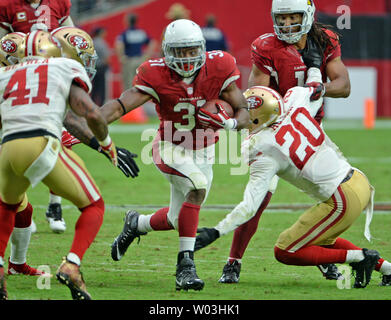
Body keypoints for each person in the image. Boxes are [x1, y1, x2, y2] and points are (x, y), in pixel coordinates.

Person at [195, 74, 391, 288]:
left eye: (247, 113)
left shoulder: (262, 149)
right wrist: (315, 69)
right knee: (322, 240)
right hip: (358, 180)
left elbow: (250, 205)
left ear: (257, 118)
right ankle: (387, 268)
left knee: (286, 250)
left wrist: (217, 231)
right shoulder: (294, 98)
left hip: (341, 199)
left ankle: (360, 258)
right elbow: (313, 88)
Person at [104, 19, 250, 291]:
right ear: (167, 52)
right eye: (179, 51)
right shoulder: (155, 73)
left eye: (191, 50)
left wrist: (229, 123)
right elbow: (121, 105)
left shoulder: (219, 66)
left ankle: (136, 224)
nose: (185, 58)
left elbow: (243, 109)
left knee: (177, 218)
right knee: (197, 186)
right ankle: (185, 265)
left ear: (202, 48)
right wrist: (92, 122)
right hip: (169, 146)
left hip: (204, 148)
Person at [216, 0, 352, 284]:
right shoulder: (266, 46)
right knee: (260, 197)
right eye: (283, 18)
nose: (288, 24)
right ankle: (233, 261)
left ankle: (323, 255)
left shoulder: (325, 39)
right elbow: (258, 93)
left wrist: (321, 87)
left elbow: (344, 86)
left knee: (329, 200)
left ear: (308, 15)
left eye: (294, 17)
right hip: (272, 128)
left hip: (309, 130)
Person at [0, 29, 118, 300]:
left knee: (7, 205)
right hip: (40, 142)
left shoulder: (5, 74)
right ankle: (72, 265)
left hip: (8, 148)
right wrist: (108, 145)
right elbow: (89, 112)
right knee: (94, 206)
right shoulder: (64, 65)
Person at [0, 0, 75, 233]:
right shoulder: (7, 5)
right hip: (21, 83)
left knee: (62, 139)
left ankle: (55, 205)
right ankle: (21, 207)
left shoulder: (59, 2)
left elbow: (71, 36)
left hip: (51, 79)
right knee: (16, 142)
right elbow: (2, 47)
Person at [115, 13, 156, 91]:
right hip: (140, 60)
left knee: (128, 84)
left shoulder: (125, 33)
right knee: (139, 83)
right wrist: (147, 55)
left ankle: (128, 102)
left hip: (129, 61)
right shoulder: (141, 32)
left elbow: (119, 45)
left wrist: (121, 57)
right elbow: (152, 42)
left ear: (128, 21)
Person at [91, 27, 110, 105]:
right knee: (102, 88)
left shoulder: (92, 42)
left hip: (94, 67)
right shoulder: (102, 43)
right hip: (101, 67)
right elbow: (106, 57)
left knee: (94, 87)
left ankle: (92, 103)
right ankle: (101, 104)